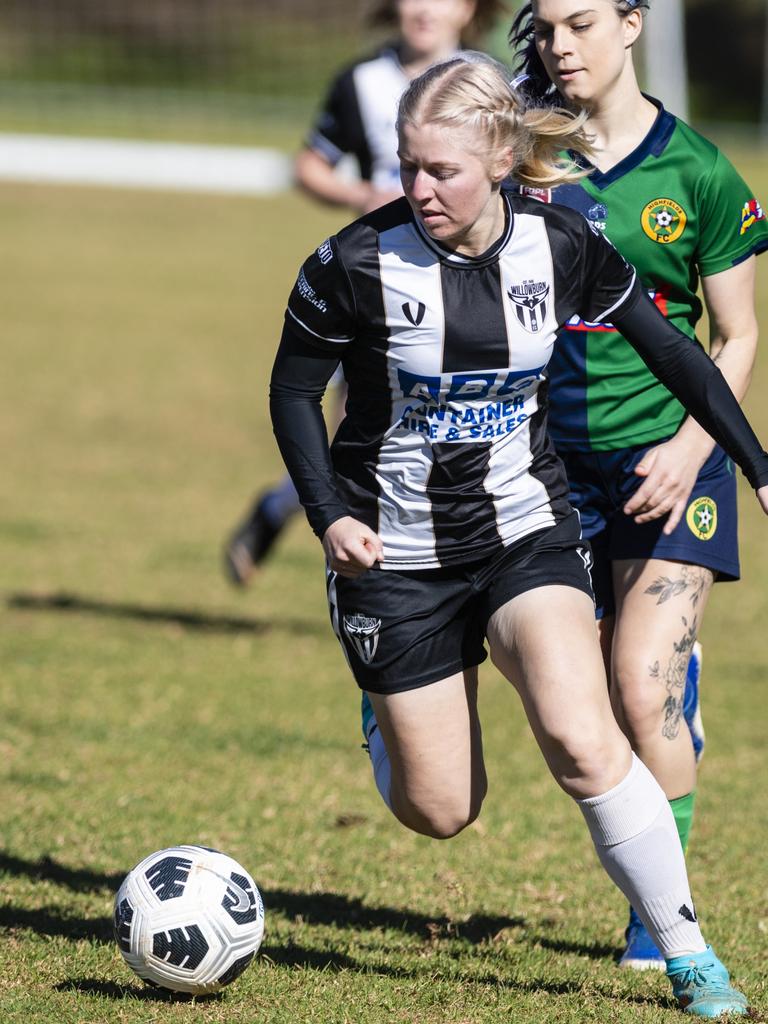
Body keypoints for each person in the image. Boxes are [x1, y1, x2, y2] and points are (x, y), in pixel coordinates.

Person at [270, 53, 768, 1017]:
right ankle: (390, 705)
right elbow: (293, 391)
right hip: (395, 553)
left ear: (501, 157)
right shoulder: (354, 262)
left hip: (523, 532)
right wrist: (330, 513)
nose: (418, 189)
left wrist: (755, 460)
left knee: (585, 739)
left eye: (441, 171)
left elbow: (676, 350)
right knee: (443, 809)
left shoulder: (564, 245)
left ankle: (687, 952)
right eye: (410, 166)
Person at [508, 0, 768, 968]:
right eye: (543, 30)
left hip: (671, 457)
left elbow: (737, 336)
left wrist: (697, 447)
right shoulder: (524, 158)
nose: (558, 46)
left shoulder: (696, 171)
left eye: (579, 23)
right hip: (544, 465)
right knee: (569, 689)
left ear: (631, 23)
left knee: (641, 679)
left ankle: (660, 923)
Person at [223, 0, 504, 584]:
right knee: (362, 428)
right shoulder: (362, 81)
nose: (424, 8)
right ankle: (379, 580)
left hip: (473, 286)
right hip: (380, 286)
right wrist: (363, 198)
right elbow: (309, 165)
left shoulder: (486, 82)